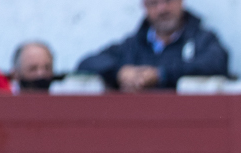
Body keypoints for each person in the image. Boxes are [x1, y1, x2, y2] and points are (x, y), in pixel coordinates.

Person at [76, 0, 229, 91]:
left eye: (168, 1)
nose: (162, 9)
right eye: (154, 3)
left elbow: (217, 62)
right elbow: (86, 64)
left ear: (181, 1)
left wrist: (161, 75)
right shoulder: (133, 45)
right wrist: (119, 73)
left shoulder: (203, 39)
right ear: (144, 7)